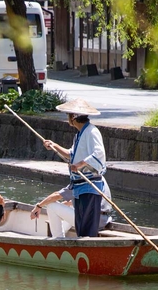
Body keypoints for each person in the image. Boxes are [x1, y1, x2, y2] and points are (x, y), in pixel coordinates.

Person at [41, 98, 107, 237]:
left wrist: (80, 164)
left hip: (89, 186)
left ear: (74, 117)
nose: (68, 119)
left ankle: (87, 248)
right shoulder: (79, 134)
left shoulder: (92, 131)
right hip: (79, 186)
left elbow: (99, 153)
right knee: (81, 224)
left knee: (86, 225)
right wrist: (54, 145)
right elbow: (72, 155)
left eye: (68, 115)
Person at [30, 177, 113, 238]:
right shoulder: (100, 178)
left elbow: (56, 195)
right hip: (104, 220)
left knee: (51, 206)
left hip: (90, 221)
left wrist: (39, 206)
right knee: (73, 209)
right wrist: (64, 204)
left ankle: (58, 240)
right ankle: (62, 233)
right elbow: (88, 202)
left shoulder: (83, 179)